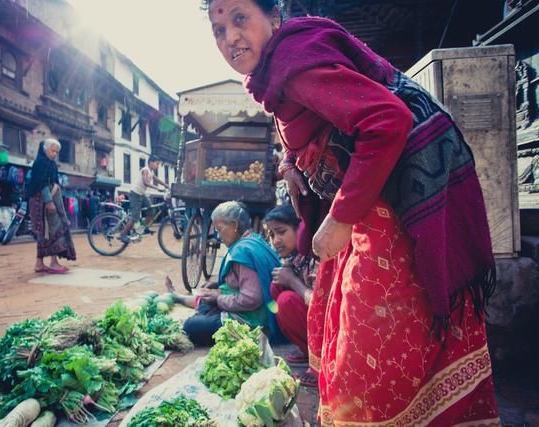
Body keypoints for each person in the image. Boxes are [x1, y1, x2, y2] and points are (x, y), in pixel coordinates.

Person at [204, 1, 500, 425]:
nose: (230, 37)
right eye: (218, 30)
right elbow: (323, 126)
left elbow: (387, 119)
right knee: (337, 322)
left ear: (273, 18)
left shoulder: (293, 63)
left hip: (392, 203)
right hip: (374, 200)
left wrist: (340, 218)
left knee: (369, 358)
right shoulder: (279, 72)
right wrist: (293, 165)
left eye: (239, 18)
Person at [164, 201, 282, 346]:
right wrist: (217, 287)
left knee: (190, 326)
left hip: (252, 321)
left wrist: (218, 298)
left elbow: (251, 299)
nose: (218, 236)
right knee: (207, 301)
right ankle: (182, 299)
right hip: (255, 312)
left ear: (234, 225)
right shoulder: (254, 239)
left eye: (219, 229)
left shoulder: (243, 251)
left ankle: (199, 311)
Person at [264, 204, 320, 388]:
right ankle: (307, 350)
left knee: (286, 300)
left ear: (300, 229)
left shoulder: (316, 256)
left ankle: (320, 363)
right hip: (314, 322)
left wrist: (293, 281)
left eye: (281, 232)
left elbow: (320, 306)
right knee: (276, 288)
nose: (276, 240)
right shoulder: (295, 256)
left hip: (329, 326)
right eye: (272, 235)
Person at [27, 139, 76, 273]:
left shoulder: (51, 164)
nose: (55, 154)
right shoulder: (40, 163)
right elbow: (42, 183)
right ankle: (53, 263)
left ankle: (39, 263)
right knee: (50, 230)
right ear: (45, 149)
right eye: (52, 150)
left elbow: (53, 182)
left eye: (57, 152)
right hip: (41, 201)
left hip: (49, 199)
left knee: (47, 231)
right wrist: (49, 201)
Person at [119, 156, 168, 242]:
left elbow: (157, 179)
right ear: (151, 162)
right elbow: (146, 182)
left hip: (142, 194)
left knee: (151, 210)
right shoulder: (145, 170)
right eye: (157, 164)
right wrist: (157, 188)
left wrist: (166, 186)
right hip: (135, 194)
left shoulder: (151, 172)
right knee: (135, 217)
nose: (157, 166)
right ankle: (123, 234)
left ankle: (146, 228)